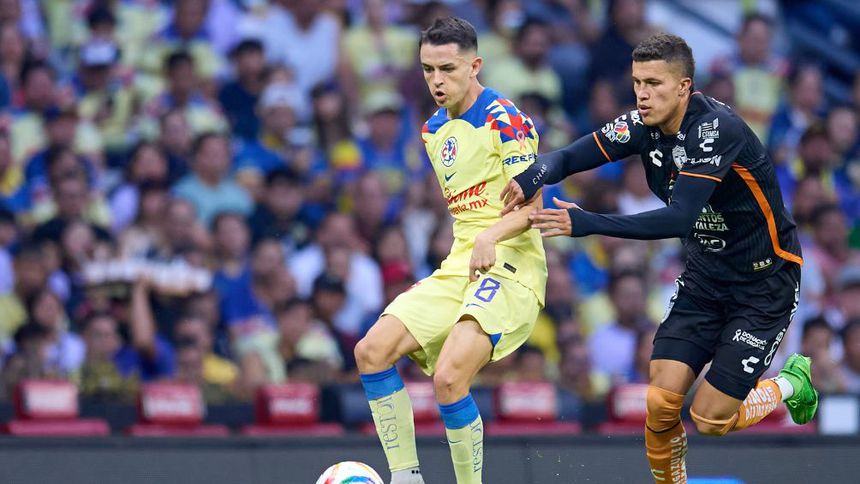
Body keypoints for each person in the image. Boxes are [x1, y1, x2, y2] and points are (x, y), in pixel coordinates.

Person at [500, 33, 818, 483]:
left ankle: (791, 384)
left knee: (709, 418)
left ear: (684, 86)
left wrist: (587, 222)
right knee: (660, 401)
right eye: (637, 83)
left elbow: (679, 218)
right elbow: (569, 156)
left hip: (763, 284)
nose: (642, 95)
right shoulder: (641, 124)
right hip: (705, 278)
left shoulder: (716, 131)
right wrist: (532, 175)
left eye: (653, 83)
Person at [353, 17, 546, 484]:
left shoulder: (504, 118)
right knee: (371, 351)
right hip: (463, 262)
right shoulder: (432, 130)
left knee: (449, 377)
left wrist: (490, 236)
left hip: (512, 263)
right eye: (427, 70)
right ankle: (406, 477)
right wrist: (474, 241)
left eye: (447, 69)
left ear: (474, 65)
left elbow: (534, 209)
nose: (436, 81)